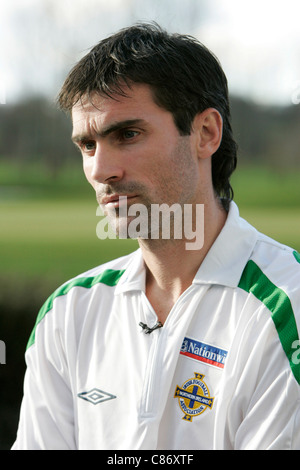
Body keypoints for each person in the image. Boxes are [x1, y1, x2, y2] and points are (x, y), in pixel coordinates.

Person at [12, 23, 300, 450]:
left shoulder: (287, 304)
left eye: (127, 134)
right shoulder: (68, 312)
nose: (99, 169)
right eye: (87, 145)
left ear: (206, 134)